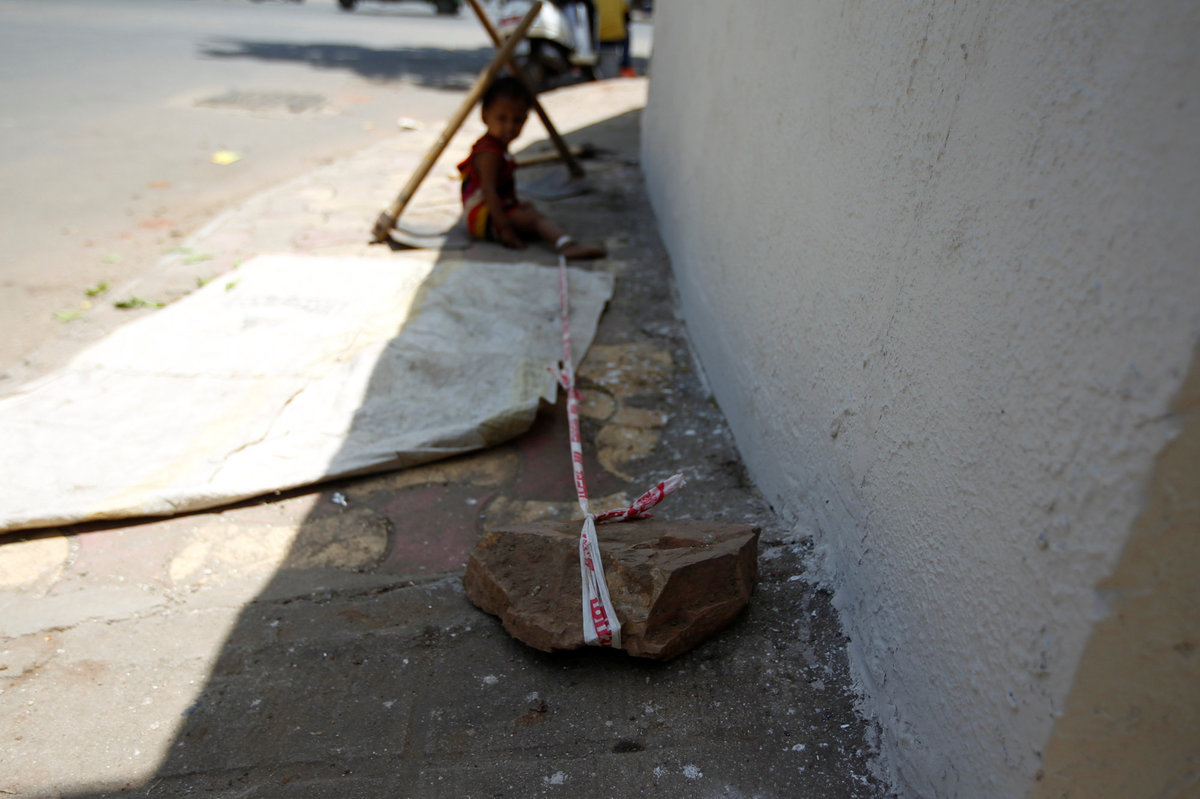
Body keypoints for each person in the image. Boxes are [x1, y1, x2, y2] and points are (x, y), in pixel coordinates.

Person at [457, 77, 605, 260]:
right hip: (482, 218)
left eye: (517, 121)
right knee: (535, 220)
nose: (510, 127)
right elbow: (489, 192)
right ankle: (567, 245)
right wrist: (505, 229)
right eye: (502, 118)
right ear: (484, 116)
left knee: (529, 214)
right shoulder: (489, 154)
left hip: (490, 211)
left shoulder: (496, 147)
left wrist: (514, 205)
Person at [596, 0, 635, 77]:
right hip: (617, 37)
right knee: (627, 33)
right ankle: (626, 65)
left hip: (599, 37)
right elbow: (627, 17)